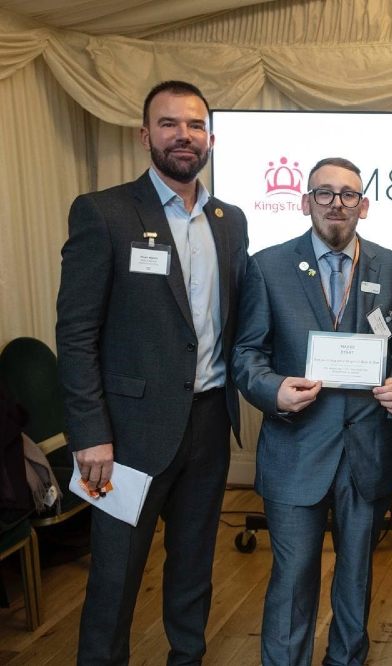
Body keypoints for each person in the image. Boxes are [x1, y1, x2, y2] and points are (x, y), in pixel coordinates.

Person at [55, 80, 248, 665]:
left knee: (192, 567)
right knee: (115, 576)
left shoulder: (230, 219)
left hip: (210, 424)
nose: (182, 136)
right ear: (145, 135)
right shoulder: (105, 213)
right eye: (169, 124)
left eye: (194, 125)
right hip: (127, 435)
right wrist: (89, 433)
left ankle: (184, 658)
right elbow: (76, 333)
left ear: (209, 137)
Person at [231, 157, 392, 666]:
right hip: (296, 447)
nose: (337, 203)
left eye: (349, 194)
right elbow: (247, 354)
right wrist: (273, 391)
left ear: (365, 204)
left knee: (356, 575)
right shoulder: (267, 267)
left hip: (368, 449)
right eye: (325, 193)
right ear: (305, 201)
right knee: (292, 579)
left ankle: (346, 660)